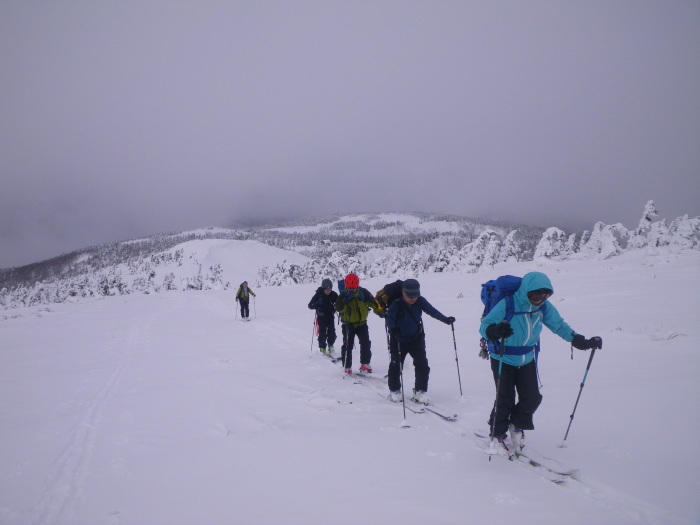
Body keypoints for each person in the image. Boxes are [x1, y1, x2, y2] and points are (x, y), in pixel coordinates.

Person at [479, 271, 602, 454]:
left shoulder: (543, 307)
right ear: (527, 291)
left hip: (527, 358)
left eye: (545, 295)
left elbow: (558, 325)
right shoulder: (508, 303)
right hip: (503, 358)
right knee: (505, 399)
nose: (540, 299)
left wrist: (580, 341)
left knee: (532, 398)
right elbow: (484, 327)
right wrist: (496, 330)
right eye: (536, 295)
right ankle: (497, 434)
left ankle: (516, 425)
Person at [385, 278, 455, 405]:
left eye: (415, 295)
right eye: (410, 296)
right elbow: (389, 319)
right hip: (399, 340)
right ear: (403, 293)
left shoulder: (420, 301)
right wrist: (393, 329)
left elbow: (432, 311)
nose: (413, 298)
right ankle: (394, 391)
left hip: (416, 338)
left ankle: (420, 391)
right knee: (396, 365)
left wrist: (445, 319)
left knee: (422, 364)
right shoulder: (396, 304)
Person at [335, 273, 382, 375]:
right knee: (348, 345)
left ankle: (365, 363)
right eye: (350, 287)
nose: (352, 289)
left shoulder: (363, 292)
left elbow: (373, 303)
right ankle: (347, 366)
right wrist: (346, 300)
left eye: (354, 287)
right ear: (346, 285)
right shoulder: (343, 295)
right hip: (348, 324)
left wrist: (381, 312)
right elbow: (339, 308)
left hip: (362, 323)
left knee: (365, 343)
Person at [307, 279, 338, 355]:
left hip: (330, 316)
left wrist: (335, 308)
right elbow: (310, 305)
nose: (329, 291)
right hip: (321, 317)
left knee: (332, 332)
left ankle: (331, 345)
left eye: (330, 289)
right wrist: (317, 306)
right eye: (327, 290)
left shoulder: (334, 294)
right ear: (323, 289)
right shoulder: (318, 294)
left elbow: (339, 303)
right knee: (322, 333)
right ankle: (322, 347)